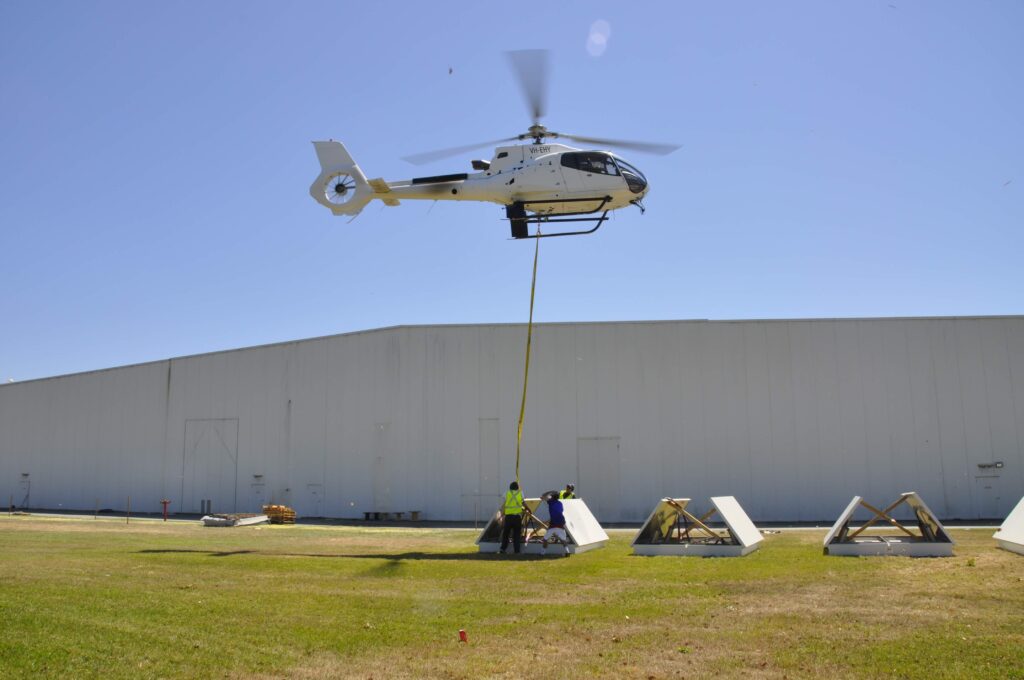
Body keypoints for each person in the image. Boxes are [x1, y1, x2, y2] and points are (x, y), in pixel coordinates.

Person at [499, 481, 525, 554]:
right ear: (518, 487)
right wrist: (528, 509)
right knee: (516, 534)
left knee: (506, 534)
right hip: (517, 517)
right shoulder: (521, 493)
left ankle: (503, 549)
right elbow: (523, 503)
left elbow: (504, 503)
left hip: (508, 517)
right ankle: (517, 551)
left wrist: (502, 514)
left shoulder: (506, 493)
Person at [541, 492, 570, 557]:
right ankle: (568, 552)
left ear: (552, 497)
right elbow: (561, 511)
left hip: (553, 523)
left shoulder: (551, 502)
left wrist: (550, 492)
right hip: (561, 522)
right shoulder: (560, 503)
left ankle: (542, 553)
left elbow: (543, 496)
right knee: (563, 540)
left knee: (545, 539)